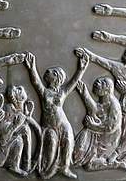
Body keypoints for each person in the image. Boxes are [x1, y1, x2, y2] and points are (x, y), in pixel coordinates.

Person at [74, 46, 126, 162]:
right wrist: (89, 55)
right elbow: (107, 63)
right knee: (119, 131)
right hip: (125, 109)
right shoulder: (122, 69)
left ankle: (117, 153)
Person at [25, 52, 89, 180]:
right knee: (52, 145)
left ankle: (65, 168)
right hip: (49, 126)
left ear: (57, 77)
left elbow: (73, 82)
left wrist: (81, 69)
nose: (47, 74)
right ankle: (50, 169)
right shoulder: (44, 91)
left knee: (67, 142)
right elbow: (35, 82)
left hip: (63, 124)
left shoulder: (62, 91)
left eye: (51, 73)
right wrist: (32, 68)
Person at [73, 77, 122, 171]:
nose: (97, 83)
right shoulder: (104, 101)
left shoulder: (114, 105)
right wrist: (84, 93)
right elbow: (95, 110)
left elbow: (110, 127)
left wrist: (92, 125)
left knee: (89, 164)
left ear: (107, 90)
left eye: (102, 83)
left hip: (106, 139)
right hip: (97, 133)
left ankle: (113, 163)